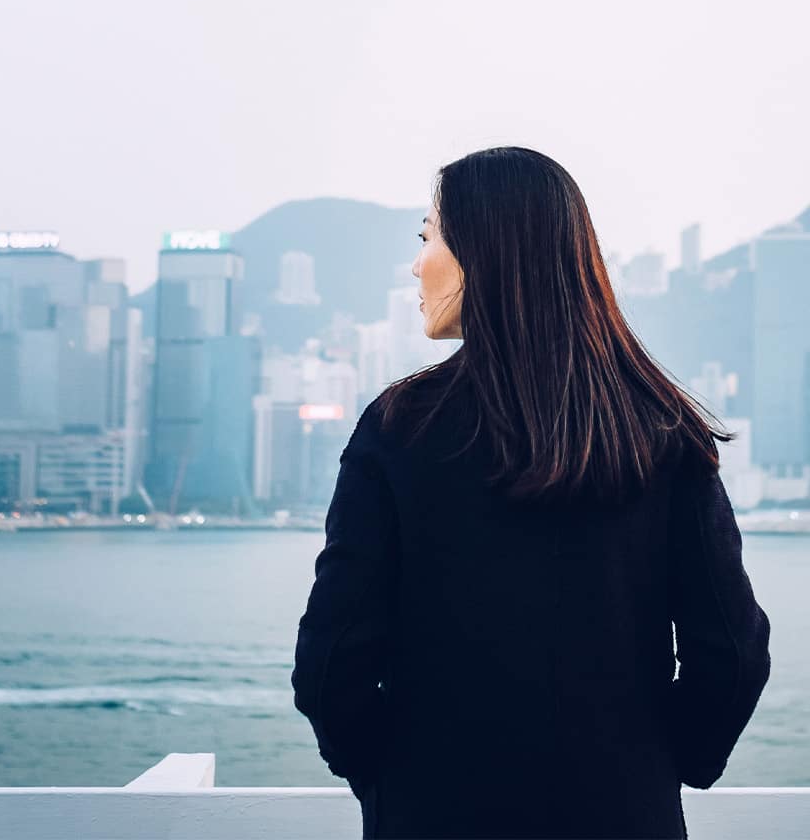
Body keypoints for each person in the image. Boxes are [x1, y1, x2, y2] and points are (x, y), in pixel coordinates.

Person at [292, 146, 771, 838]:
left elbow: (331, 662)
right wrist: (664, 763)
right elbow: (730, 650)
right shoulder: (661, 428)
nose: (416, 262)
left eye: (429, 236)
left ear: (481, 252)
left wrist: (389, 775)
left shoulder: (400, 427)